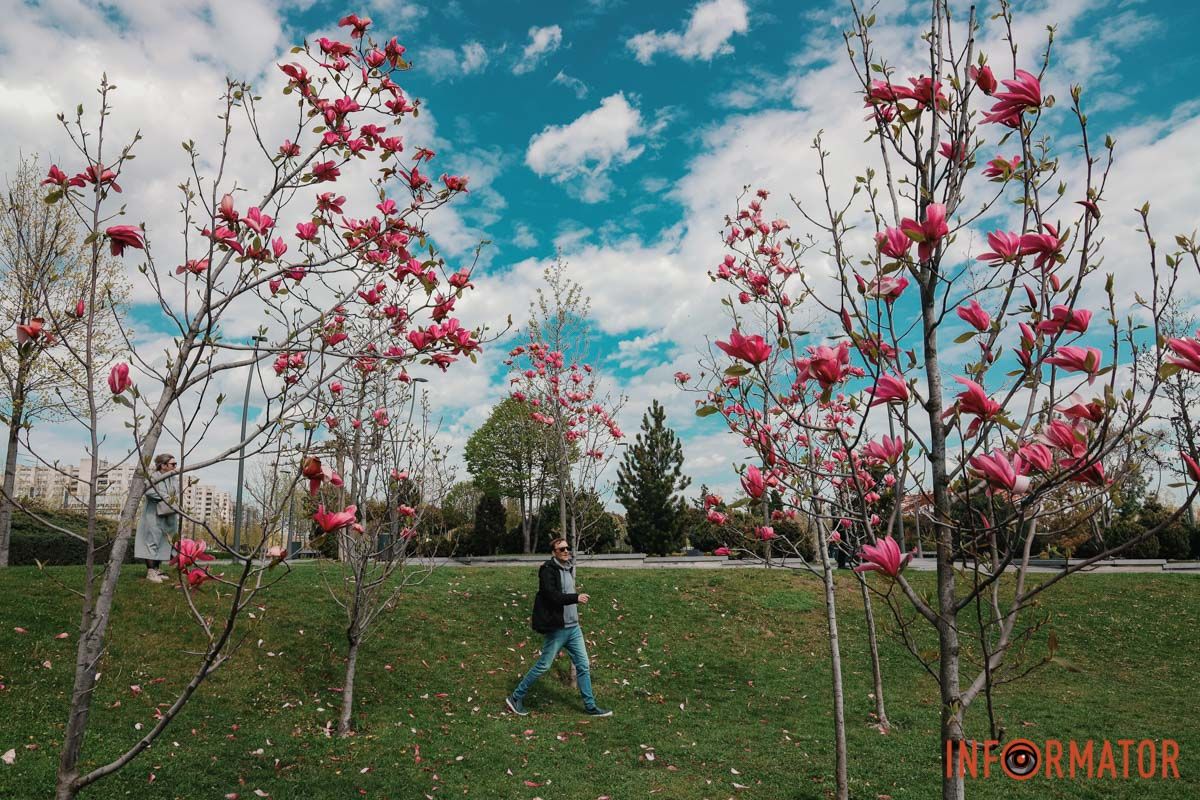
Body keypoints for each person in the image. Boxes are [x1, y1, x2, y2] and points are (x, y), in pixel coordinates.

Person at [506, 538, 612, 717]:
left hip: (574, 629)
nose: (566, 551)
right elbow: (553, 596)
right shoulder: (547, 570)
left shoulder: (568, 567)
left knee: (584, 666)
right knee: (544, 665)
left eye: (567, 548)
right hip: (558, 629)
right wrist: (575, 597)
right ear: (554, 552)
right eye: (561, 549)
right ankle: (516, 697)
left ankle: (590, 706)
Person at [135, 454, 179, 583]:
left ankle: (157, 569)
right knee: (152, 541)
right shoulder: (154, 477)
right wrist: (166, 497)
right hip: (153, 515)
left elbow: (176, 493)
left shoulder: (173, 478)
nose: (175, 466)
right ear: (163, 465)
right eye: (173, 464)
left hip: (168, 514)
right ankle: (151, 572)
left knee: (164, 542)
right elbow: (148, 491)